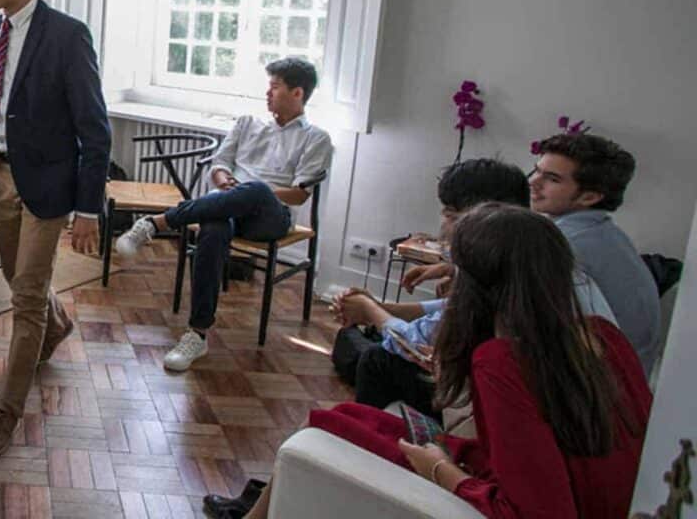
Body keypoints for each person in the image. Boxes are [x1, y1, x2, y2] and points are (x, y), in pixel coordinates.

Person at [205, 204, 652, 519]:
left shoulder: (501, 362)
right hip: (590, 492)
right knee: (336, 416)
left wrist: (437, 468)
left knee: (330, 419)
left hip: (512, 493)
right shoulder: (601, 333)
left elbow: (537, 510)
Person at [0, 0, 111, 458]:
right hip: (1, 176)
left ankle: (5, 413)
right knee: (15, 275)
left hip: (48, 186)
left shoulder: (68, 35)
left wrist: (89, 208)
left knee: (24, 297)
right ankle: (60, 321)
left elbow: (95, 130)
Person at [114, 57, 333, 373]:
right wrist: (225, 182)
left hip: (270, 218)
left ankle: (157, 223)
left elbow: (299, 193)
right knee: (213, 228)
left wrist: (249, 189)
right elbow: (219, 164)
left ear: (297, 93)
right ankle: (197, 334)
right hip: (228, 206)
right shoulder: (247, 123)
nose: (267, 93)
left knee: (256, 189)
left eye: (275, 87)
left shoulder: (316, 138)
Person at [404, 132, 659, 374]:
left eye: (552, 179)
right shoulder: (602, 233)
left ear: (590, 196)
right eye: (537, 170)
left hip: (592, 389)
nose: (533, 182)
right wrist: (451, 267)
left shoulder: (556, 244)